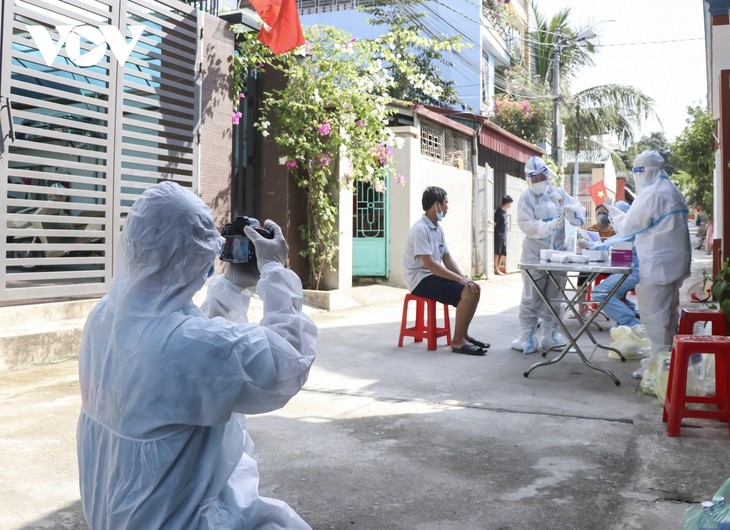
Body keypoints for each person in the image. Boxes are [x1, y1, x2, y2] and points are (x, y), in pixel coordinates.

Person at [76, 181, 317, 529]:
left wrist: (232, 286)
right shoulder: (184, 344)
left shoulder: (105, 316)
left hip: (120, 514)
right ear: (194, 258)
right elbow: (286, 363)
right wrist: (276, 272)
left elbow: (206, 359)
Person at [606, 150, 691, 377]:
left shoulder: (652, 193)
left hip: (658, 266)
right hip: (674, 264)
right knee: (668, 316)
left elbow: (628, 227)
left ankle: (659, 370)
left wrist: (614, 212)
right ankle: (665, 362)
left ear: (644, 172)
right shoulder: (671, 189)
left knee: (656, 318)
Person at [511, 156, 586, 355]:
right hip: (534, 256)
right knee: (532, 298)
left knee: (555, 298)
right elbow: (525, 224)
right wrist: (547, 226)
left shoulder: (559, 193)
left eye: (540, 177)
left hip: (559, 255)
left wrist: (572, 211)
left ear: (547, 175)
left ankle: (551, 336)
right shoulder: (526, 198)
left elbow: (579, 212)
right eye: (533, 179)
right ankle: (527, 337)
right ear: (528, 180)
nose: (538, 182)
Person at [403, 186, 489, 356]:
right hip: (420, 280)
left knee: (474, 288)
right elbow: (429, 264)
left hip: (432, 276)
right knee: (466, 291)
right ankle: (457, 342)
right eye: (446, 203)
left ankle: (463, 335)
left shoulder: (437, 228)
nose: (448, 207)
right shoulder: (421, 229)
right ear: (437, 205)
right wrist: (458, 280)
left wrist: (463, 277)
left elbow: (447, 258)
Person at [589, 201, 641, 328]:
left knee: (600, 294)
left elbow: (608, 243)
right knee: (611, 294)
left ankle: (631, 322)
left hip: (633, 272)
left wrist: (592, 246)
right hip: (628, 269)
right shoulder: (626, 231)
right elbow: (612, 242)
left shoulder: (630, 232)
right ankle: (632, 313)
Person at [572, 203, 617, 318]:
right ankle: (581, 311)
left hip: (609, 265)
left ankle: (604, 309)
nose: (601, 215)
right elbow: (586, 247)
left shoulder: (615, 231)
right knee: (581, 277)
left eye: (604, 213)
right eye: (599, 213)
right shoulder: (591, 229)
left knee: (617, 281)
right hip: (593, 263)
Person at [494, 195, 514, 275]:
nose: (510, 205)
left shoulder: (505, 212)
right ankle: (496, 269)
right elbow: (494, 224)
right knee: (497, 251)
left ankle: (500, 268)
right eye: (510, 203)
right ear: (507, 203)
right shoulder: (499, 212)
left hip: (504, 235)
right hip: (498, 235)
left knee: (503, 252)